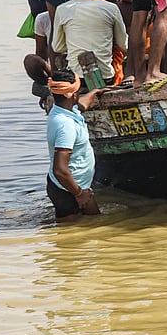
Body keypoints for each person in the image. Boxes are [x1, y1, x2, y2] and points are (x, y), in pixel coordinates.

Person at [44, 69, 108, 222]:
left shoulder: (63, 110)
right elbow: (60, 170)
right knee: (73, 233)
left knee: (93, 226)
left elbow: (81, 105)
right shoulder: (65, 125)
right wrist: (79, 194)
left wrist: (95, 92)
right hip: (69, 189)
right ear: (73, 94)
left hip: (75, 186)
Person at [51, 0, 128, 85]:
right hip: (106, 77)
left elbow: (57, 47)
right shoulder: (110, 8)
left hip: (77, 79)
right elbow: (124, 45)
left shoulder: (62, 9)